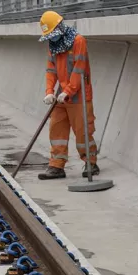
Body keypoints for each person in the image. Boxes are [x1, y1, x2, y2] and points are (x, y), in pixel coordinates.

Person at [37, 11, 98, 180]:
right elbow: (51, 70)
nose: (52, 38)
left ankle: (90, 163)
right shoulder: (53, 45)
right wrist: (49, 92)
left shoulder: (78, 41)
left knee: (83, 132)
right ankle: (56, 166)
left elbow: (79, 69)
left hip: (79, 96)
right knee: (56, 130)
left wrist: (68, 91)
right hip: (60, 96)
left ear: (60, 27)